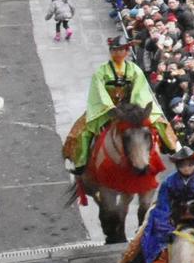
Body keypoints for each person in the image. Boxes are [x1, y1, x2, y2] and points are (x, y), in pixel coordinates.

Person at [64, 34, 176, 174]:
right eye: (114, 50)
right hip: (107, 109)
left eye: (121, 50)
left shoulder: (134, 70)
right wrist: (110, 107)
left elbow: (140, 91)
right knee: (83, 130)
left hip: (131, 108)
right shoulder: (101, 71)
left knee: (159, 121)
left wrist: (135, 110)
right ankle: (81, 163)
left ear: (127, 52)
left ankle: (170, 147)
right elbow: (98, 91)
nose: (117, 53)